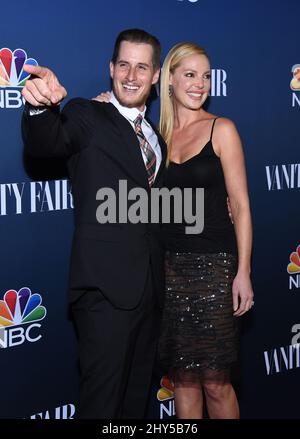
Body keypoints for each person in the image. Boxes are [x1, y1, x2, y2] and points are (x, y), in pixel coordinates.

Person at [21, 29, 167, 419]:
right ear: (110, 69)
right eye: (123, 65)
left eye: (142, 67)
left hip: (151, 293)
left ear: (156, 76)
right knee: (100, 407)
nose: (131, 76)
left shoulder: (155, 137)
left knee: (135, 404)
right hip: (104, 294)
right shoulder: (88, 115)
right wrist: (40, 109)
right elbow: (49, 143)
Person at [157, 42, 254, 419]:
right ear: (169, 80)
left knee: (216, 381)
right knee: (182, 377)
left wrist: (242, 271)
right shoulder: (155, 136)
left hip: (215, 267)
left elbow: (242, 207)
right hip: (168, 270)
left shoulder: (222, 129)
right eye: (190, 74)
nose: (200, 84)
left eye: (207, 76)